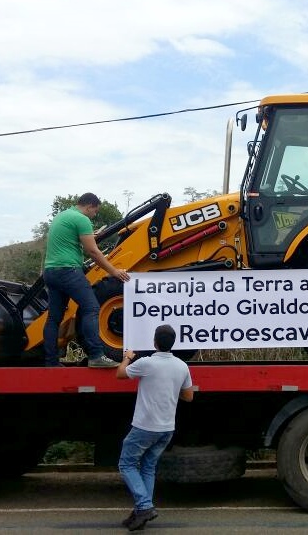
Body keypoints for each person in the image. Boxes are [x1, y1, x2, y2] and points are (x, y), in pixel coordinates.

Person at [117, 324, 194, 531]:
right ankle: (140, 511)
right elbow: (188, 396)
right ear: (173, 343)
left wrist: (127, 357)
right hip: (167, 428)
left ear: (154, 342)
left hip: (145, 426)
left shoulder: (146, 363)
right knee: (148, 466)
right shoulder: (182, 366)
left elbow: (120, 374)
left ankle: (144, 506)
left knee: (126, 464)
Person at [42, 192, 130, 367]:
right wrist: (113, 271)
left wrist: (91, 235)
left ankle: (51, 362)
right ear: (90, 206)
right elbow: (93, 252)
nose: (94, 215)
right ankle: (96, 356)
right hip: (68, 271)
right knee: (91, 308)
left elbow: (70, 241)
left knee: (54, 318)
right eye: (95, 211)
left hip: (51, 271)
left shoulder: (64, 216)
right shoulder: (82, 219)